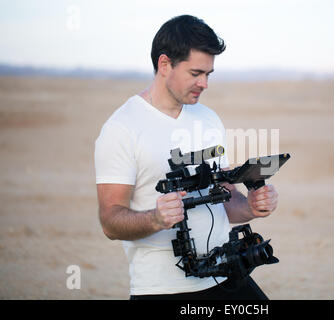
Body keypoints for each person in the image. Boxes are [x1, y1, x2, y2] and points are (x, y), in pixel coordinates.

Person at [94, 15, 279, 300]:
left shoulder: (208, 118)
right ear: (165, 64)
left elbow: (226, 198)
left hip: (227, 274)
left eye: (208, 74)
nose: (204, 83)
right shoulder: (123, 128)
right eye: (195, 73)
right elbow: (110, 221)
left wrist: (252, 206)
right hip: (164, 289)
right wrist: (156, 218)